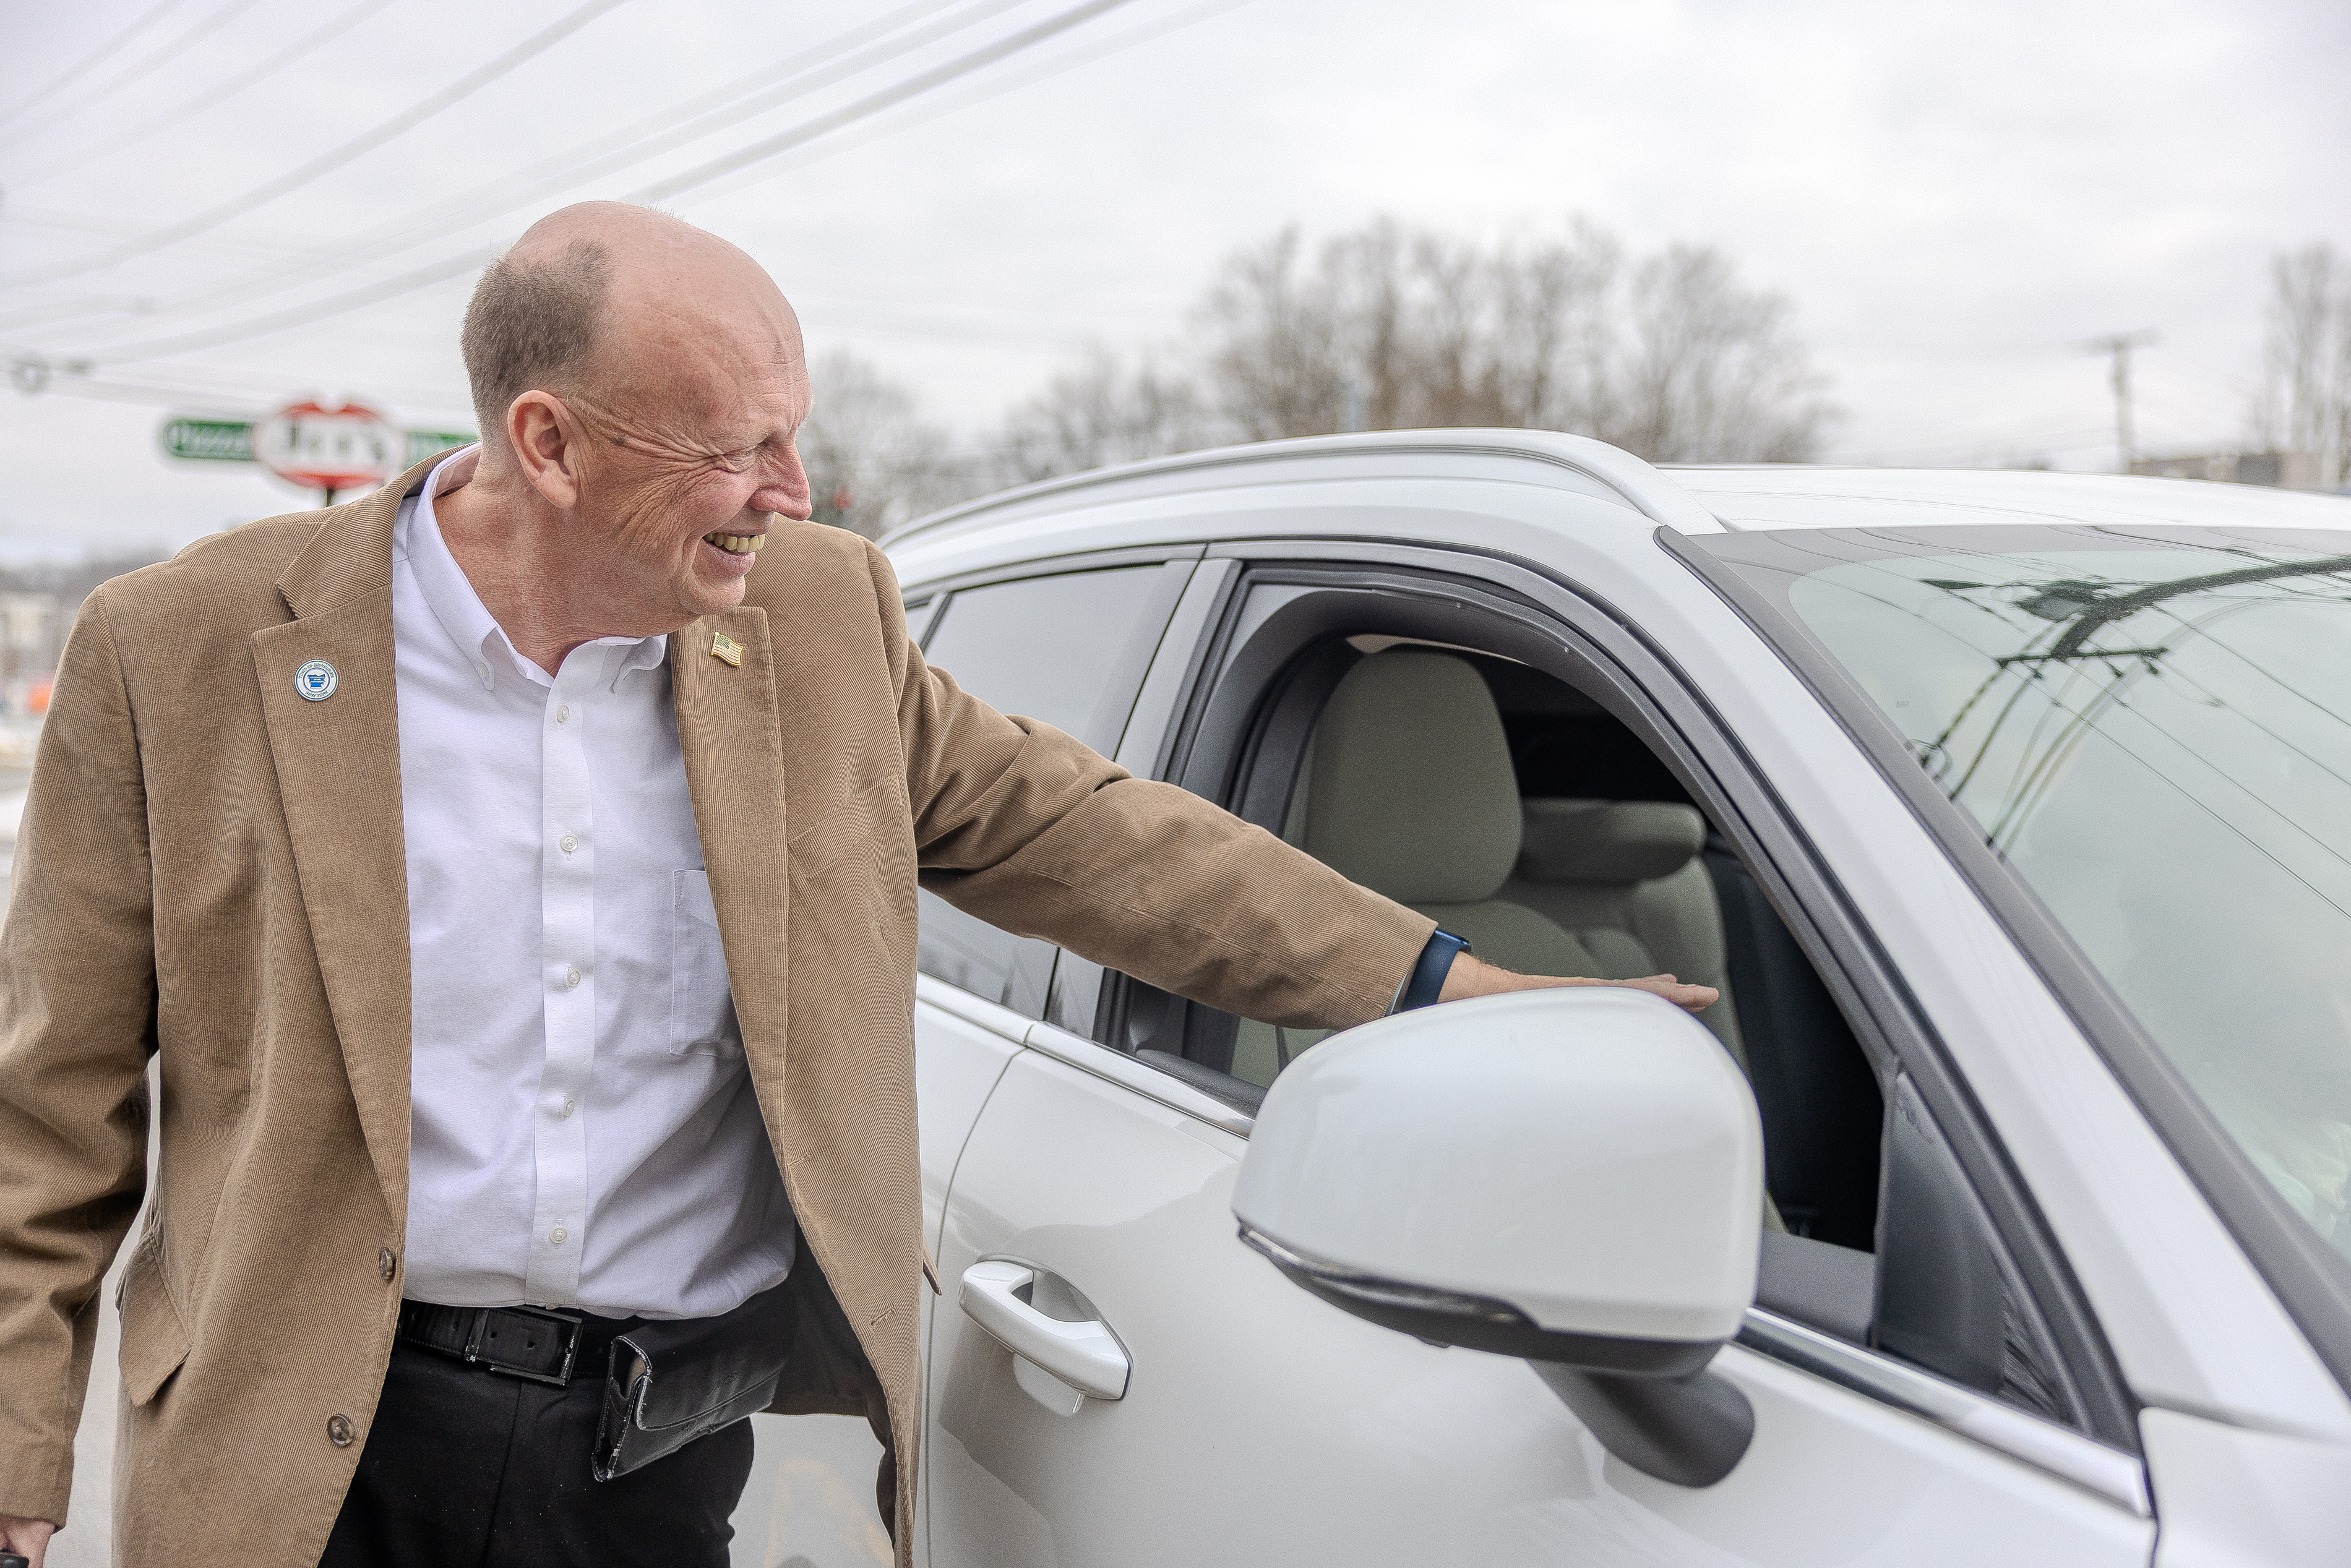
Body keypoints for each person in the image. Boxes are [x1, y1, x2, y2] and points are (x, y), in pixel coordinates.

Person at [0, 203, 1714, 1568]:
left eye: (793, 437)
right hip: (312, 1438)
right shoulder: (181, 651)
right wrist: (15, 1448)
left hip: (665, 1452)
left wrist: (1453, 993)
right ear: (549, 441)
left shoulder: (819, 620)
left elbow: (1101, 838)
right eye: (738, 448)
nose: (794, 495)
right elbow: (51, 1093)